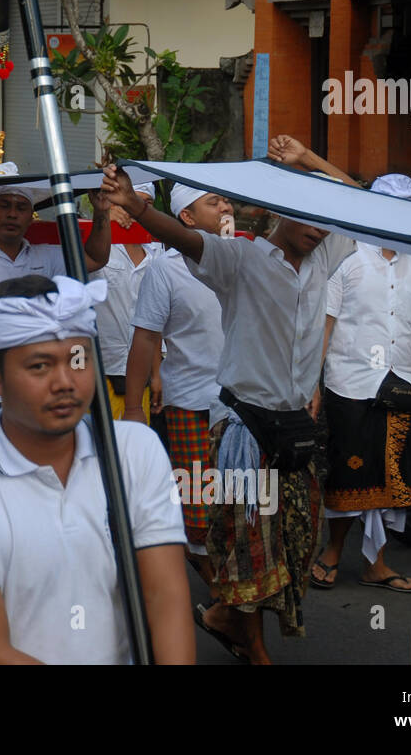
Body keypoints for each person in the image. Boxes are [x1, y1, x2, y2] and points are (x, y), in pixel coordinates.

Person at [101, 134, 359, 664]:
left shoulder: (326, 255)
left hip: (295, 430)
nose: (316, 228)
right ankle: (245, 637)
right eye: (304, 216)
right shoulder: (239, 259)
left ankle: (225, 618)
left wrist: (308, 160)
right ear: (276, 213)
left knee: (291, 543)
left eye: (321, 219)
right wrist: (134, 205)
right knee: (250, 545)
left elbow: (359, 204)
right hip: (243, 428)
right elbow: (185, 238)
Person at [0, 274, 192, 663]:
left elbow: (166, 598)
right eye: (40, 366)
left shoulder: (135, 451)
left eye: (78, 361)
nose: (65, 382)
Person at [312, 173, 411, 595]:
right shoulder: (348, 257)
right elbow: (325, 323)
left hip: (402, 385)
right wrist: (311, 383)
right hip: (350, 383)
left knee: (393, 476)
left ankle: (375, 563)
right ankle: (333, 552)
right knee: (348, 472)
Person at [124, 183, 231, 591]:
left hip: (242, 406)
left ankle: (229, 594)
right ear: (186, 217)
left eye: (224, 199)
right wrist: (135, 408)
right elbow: (146, 338)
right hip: (191, 403)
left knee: (240, 504)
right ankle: (215, 589)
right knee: (198, 511)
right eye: (213, 201)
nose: (225, 206)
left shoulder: (243, 257)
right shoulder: (165, 270)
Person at [0, 172, 111, 314]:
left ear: (31, 218)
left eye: (21, 208)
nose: (12, 214)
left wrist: (101, 211)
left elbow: (95, 259)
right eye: (4, 206)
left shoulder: (46, 257)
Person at [91, 183, 165, 419]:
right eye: (128, 202)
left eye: (146, 204)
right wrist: (102, 218)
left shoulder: (156, 251)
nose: (135, 210)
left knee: (136, 446)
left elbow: (153, 320)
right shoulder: (97, 245)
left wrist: (156, 374)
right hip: (99, 369)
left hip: (140, 372)